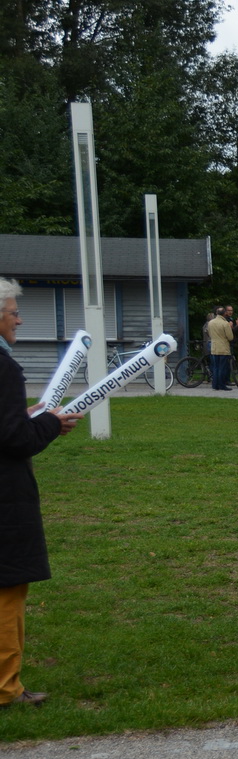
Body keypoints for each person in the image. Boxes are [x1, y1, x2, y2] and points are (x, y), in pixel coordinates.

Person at [0, 281, 81, 709]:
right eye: (13, 312)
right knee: (7, 591)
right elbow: (12, 438)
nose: (19, 319)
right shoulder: (4, 366)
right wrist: (50, 424)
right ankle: (5, 688)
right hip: (4, 500)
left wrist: (32, 414)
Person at [205, 307, 234, 391]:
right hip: (223, 347)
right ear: (224, 313)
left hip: (214, 347)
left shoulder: (210, 323)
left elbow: (209, 334)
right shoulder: (225, 323)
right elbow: (230, 337)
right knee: (222, 367)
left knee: (215, 367)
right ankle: (222, 384)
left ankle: (215, 385)